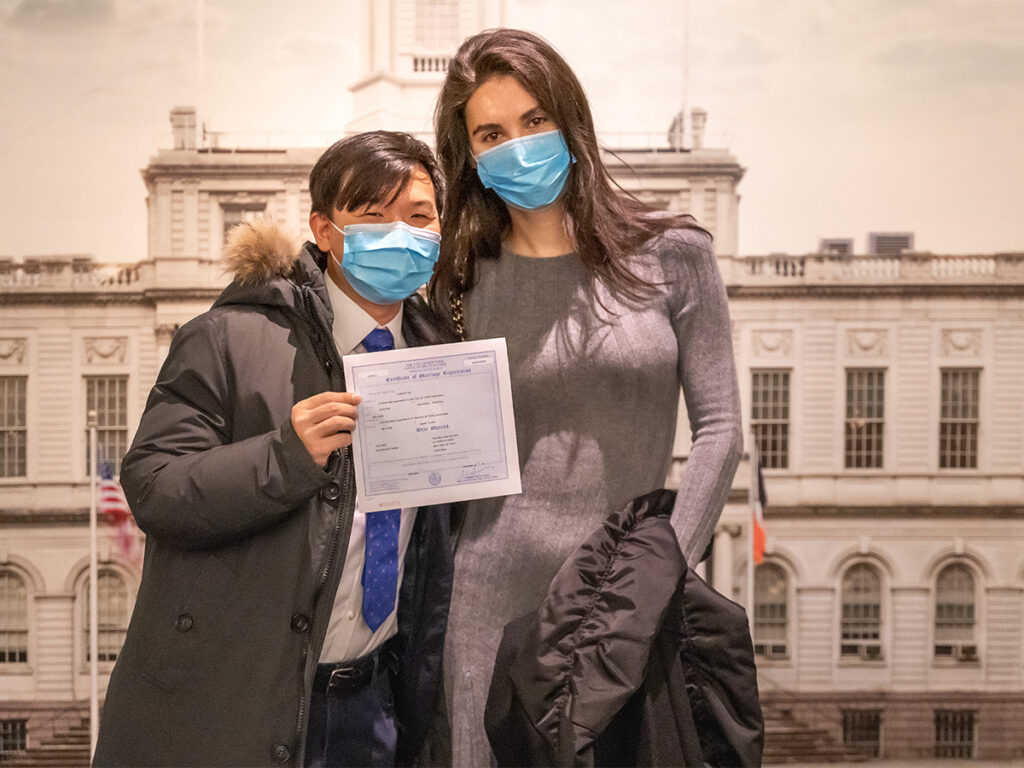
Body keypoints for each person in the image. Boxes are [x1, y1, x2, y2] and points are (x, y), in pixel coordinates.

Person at [427, 28, 744, 766]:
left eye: (535, 121)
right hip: (485, 598)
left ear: (571, 120)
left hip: (623, 600)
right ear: (470, 155)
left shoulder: (674, 252)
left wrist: (662, 566)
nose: (519, 145)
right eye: (492, 132)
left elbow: (722, 428)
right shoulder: (456, 277)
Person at [94, 131, 455, 768]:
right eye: (372, 216)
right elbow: (153, 484)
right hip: (235, 702)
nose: (399, 234)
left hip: (373, 704)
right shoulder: (228, 336)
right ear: (324, 227)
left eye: (419, 216)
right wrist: (286, 456)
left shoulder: (445, 359)